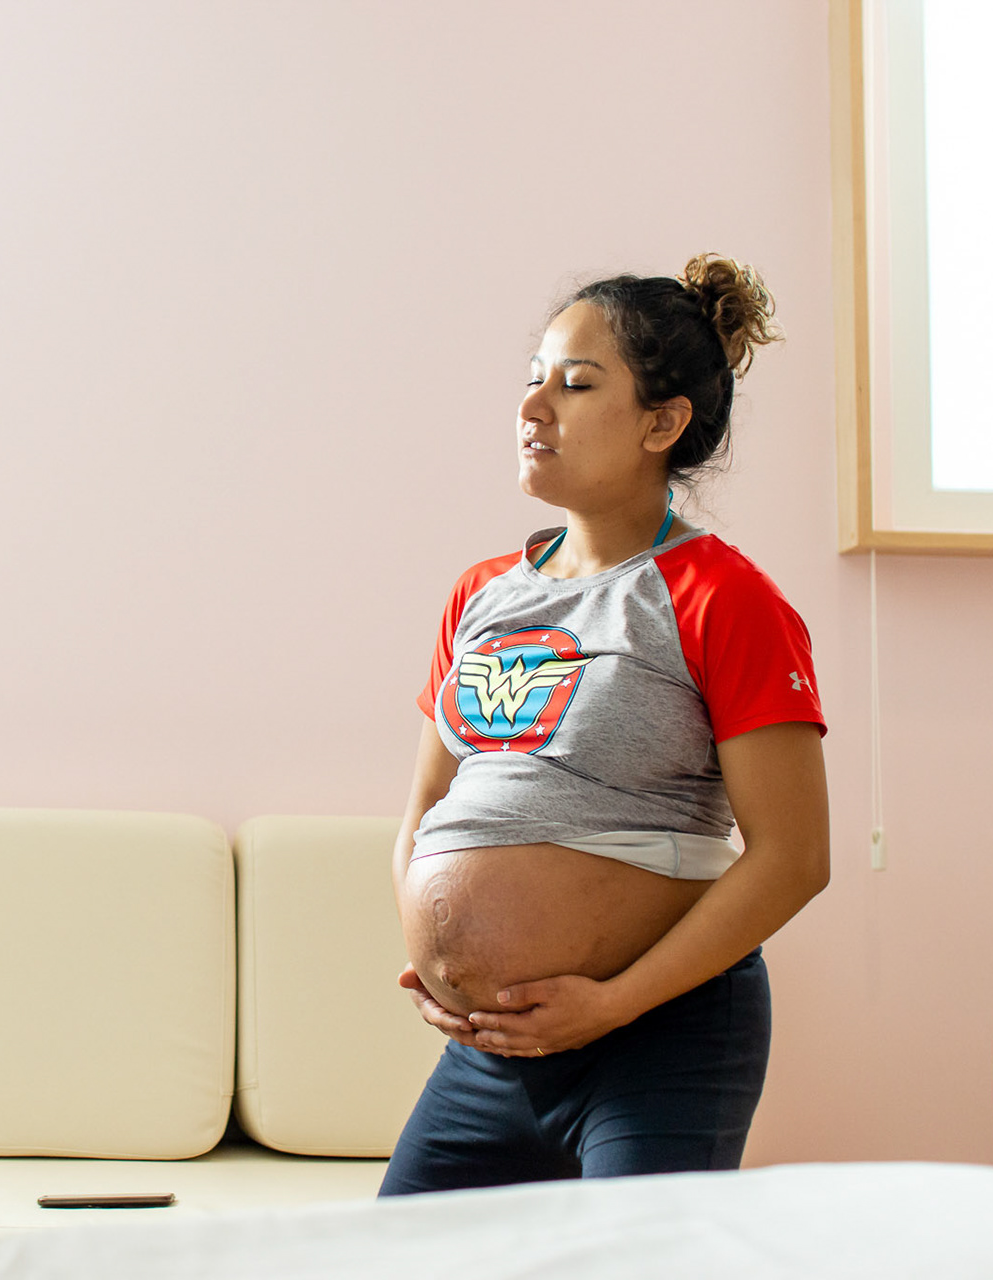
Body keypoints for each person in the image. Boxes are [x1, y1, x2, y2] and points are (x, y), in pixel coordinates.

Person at [381, 256, 830, 1194]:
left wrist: (614, 1003)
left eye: (576, 385)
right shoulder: (480, 594)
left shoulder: (723, 597)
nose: (532, 407)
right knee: (398, 1256)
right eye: (533, 378)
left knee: (634, 1258)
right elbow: (424, 809)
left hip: (659, 1039)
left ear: (662, 424)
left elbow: (794, 858)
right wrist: (442, 966)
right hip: (488, 1055)